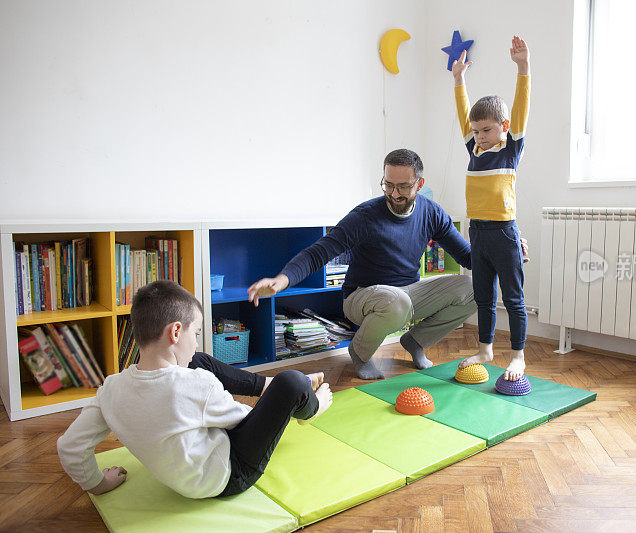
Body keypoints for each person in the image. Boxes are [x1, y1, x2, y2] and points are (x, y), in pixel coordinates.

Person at [57, 280, 332, 498]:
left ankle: (266, 385)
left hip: (180, 474)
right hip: (227, 478)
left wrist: (98, 483)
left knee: (197, 361)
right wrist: (283, 400)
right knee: (292, 382)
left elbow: (69, 446)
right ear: (176, 332)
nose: (197, 343)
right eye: (197, 334)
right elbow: (245, 421)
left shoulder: (110, 389)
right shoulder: (196, 386)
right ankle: (312, 407)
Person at [248, 149, 477, 380]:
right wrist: (282, 279)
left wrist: (506, 252)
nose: (394, 194)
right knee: (397, 301)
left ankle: (416, 341)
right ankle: (359, 353)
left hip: (408, 294)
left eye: (403, 187)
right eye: (388, 185)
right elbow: (320, 252)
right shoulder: (365, 216)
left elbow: (467, 257)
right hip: (362, 296)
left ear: (420, 183)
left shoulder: (432, 212)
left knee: (475, 289)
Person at [453, 36, 531, 381]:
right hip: (478, 234)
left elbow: (521, 107)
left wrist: (523, 68)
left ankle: (518, 355)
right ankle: (485, 349)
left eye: (487, 130)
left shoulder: (510, 150)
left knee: (512, 298)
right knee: (483, 297)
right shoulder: (475, 151)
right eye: (476, 131)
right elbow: (464, 114)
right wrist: (459, 80)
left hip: (503, 231)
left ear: (505, 127)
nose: (480, 136)